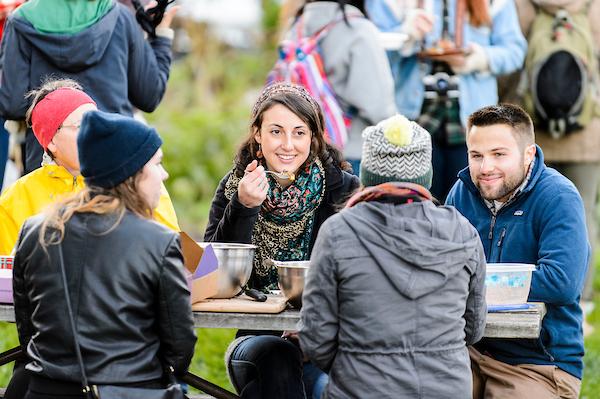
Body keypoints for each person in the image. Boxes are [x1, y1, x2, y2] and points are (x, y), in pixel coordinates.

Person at [297, 114, 487, 398]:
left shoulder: (339, 231)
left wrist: (356, 367)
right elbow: (473, 330)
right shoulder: (463, 231)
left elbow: (315, 339)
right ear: (425, 175)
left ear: (369, 176)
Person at [12, 110, 197, 398]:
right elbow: (179, 346)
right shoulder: (160, 241)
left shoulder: (33, 229)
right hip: (132, 390)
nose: (165, 174)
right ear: (131, 172)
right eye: (157, 164)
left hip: (47, 390)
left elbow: (27, 330)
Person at [204, 82, 360, 399]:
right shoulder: (236, 186)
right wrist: (243, 207)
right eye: (276, 131)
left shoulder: (342, 190)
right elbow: (212, 275)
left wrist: (314, 327)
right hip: (256, 342)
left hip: (327, 344)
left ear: (314, 138)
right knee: (278, 355)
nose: (288, 145)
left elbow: (361, 273)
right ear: (258, 134)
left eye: (299, 133)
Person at [446, 103, 589, 398]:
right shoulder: (461, 192)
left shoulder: (558, 197)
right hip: (467, 351)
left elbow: (560, 282)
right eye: (476, 155)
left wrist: (473, 281)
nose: (485, 168)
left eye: (499, 154)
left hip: (538, 363)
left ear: (529, 154)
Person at [497, 0, 600, 334]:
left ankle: (531, 292)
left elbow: (510, 71)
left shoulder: (523, 7)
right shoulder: (592, 7)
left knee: (529, 209)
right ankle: (581, 301)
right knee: (583, 212)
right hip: (587, 128)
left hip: (531, 129)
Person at [366, 0, 527, 200]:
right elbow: (375, 51)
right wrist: (407, 34)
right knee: (418, 203)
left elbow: (515, 50)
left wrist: (479, 58)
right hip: (414, 121)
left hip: (471, 124)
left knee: (468, 204)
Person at [0, 78, 180, 256]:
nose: (94, 133)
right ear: (52, 141)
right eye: (82, 126)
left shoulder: (138, 177)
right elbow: (8, 275)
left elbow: (173, 251)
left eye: (96, 122)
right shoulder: (14, 199)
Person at [0, 0, 179, 175]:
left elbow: (12, 106)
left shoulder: (20, 20)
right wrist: (160, 37)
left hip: (48, 166)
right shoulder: (120, 16)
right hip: (114, 164)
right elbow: (149, 97)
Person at [288, 0, 397, 173]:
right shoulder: (358, 28)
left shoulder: (298, 25)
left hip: (305, 153)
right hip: (352, 154)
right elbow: (377, 105)